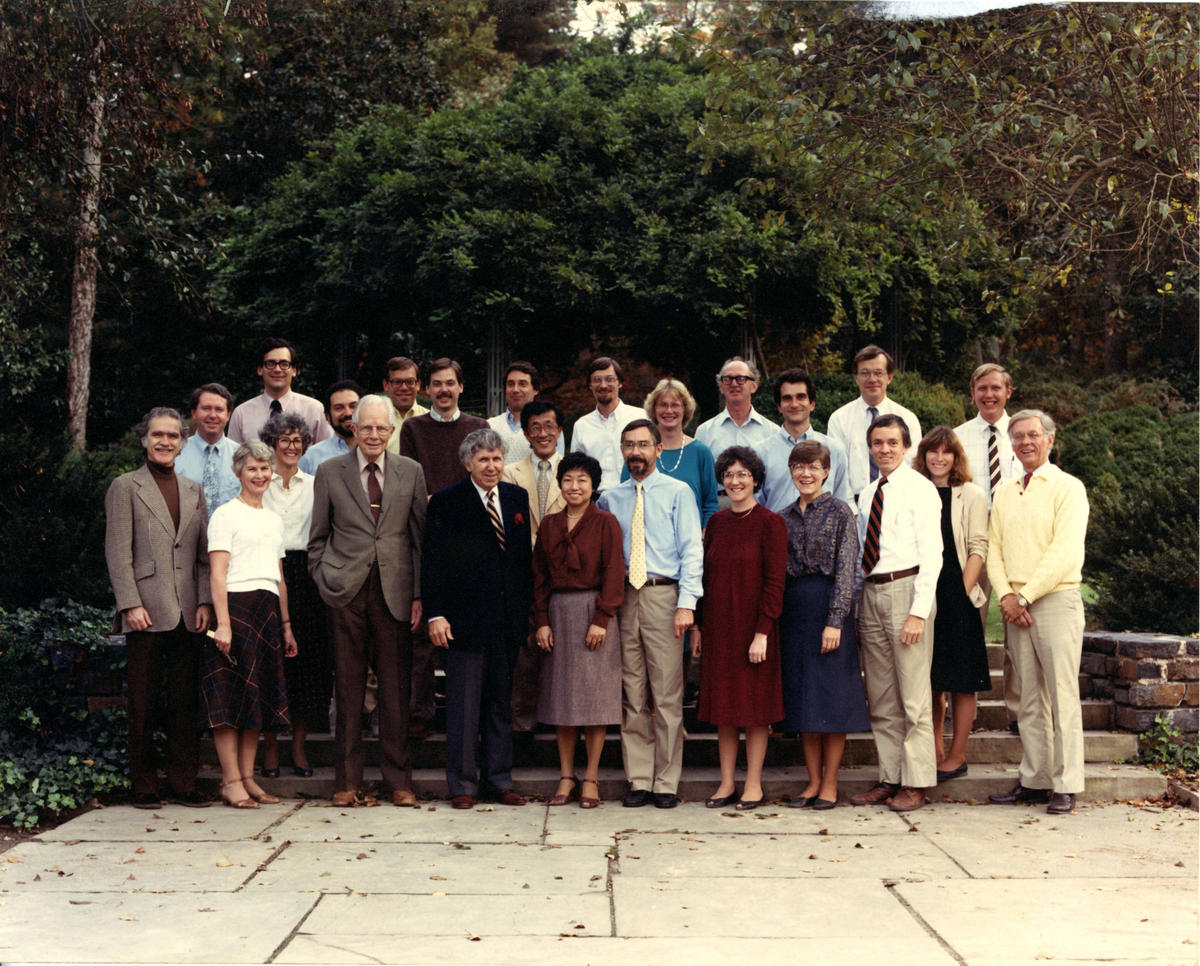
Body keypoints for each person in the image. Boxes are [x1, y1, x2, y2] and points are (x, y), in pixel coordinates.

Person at [308, 395, 427, 807]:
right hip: (346, 593)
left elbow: (417, 539)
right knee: (349, 688)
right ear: (353, 430)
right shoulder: (328, 472)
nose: (374, 435)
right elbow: (317, 539)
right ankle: (347, 781)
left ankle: (398, 781)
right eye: (366, 427)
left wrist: (417, 595)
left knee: (396, 692)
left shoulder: (411, 472)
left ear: (391, 431)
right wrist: (326, 580)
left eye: (381, 428)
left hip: (395, 593)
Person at [104, 407, 213, 808]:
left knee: (185, 703)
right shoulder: (125, 486)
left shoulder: (192, 489)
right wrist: (130, 603)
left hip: (187, 610)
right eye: (157, 435)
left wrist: (203, 600)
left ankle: (184, 783)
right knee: (145, 704)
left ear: (182, 442)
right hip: (147, 610)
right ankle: (145, 785)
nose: (165, 441)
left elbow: (202, 555)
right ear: (143, 439)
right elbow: (118, 552)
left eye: (173, 435)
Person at [423, 428, 534, 809]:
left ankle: (499, 780)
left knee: (501, 707)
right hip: (463, 623)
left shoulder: (517, 499)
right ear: (468, 462)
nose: (491, 466)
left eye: (497, 458)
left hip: (507, 623)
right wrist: (435, 613)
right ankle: (464, 785)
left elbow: (522, 564)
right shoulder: (446, 503)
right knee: (465, 709)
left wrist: (527, 616)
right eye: (484, 459)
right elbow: (432, 564)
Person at [987, 410, 1088, 816]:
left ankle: (1066, 784)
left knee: (1062, 695)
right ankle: (1035, 780)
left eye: (1033, 435)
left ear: (1049, 439)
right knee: (1028, 697)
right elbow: (994, 548)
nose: (1025, 442)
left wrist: (1025, 596)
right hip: (1017, 604)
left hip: (1055, 601)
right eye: (1018, 437)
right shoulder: (1006, 491)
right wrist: (1007, 596)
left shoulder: (1067, 487)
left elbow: (1064, 552)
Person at [598, 419, 703, 809]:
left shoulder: (679, 492)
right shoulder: (612, 497)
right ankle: (639, 778)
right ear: (622, 451)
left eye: (643, 444)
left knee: (667, 692)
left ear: (659, 449)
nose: (636, 452)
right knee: (633, 691)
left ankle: (666, 781)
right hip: (625, 598)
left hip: (664, 595)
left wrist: (686, 605)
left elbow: (693, 549)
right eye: (629, 445)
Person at [850, 414, 942, 813]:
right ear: (869, 448)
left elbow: (933, 555)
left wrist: (918, 612)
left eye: (892, 442)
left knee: (914, 696)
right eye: (877, 443)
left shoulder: (921, 490)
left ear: (906, 447)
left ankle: (917, 781)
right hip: (872, 593)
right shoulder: (869, 492)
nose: (884, 449)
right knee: (882, 695)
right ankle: (890, 776)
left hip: (907, 591)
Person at [203, 440, 297, 809]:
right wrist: (223, 624)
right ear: (238, 472)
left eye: (264, 468)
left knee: (255, 698)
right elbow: (217, 574)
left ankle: (247, 777)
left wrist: (287, 626)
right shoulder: (225, 515)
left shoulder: (274, 519)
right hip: (236, 609)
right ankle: (229, 781)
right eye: (252, 469)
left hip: (268, 610)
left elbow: (279, 577)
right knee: (230, 699)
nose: (259, 475)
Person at [777, 440, 871, 810]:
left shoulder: (840, 512)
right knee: (804, 701)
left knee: (831, 700)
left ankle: (830, 782)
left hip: (829, 608)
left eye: (814, 467)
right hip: (795, 613)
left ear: (826, 471)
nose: (806, 473)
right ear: (791, 471)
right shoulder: (782, 517)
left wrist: (836, 619)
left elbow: (848, 570)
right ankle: (812, 781)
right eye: (799, 467)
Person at [691, 446, 785, 811]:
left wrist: (762, 632)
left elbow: (775, 583)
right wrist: (698, 627)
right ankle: (727, 782)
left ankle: (754, 784)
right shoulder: (716, 523)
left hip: (754, 630)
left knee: (755, 711)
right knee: (724, 711)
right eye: (729, 475)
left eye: (743, 474)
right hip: (719, 628)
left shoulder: (770, 523)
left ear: (756, 480)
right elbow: (704, 576)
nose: (735, 481)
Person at [532, 453, 625, 809]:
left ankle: (591, 777)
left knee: (593, 701)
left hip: (593, 612)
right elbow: (538, 575)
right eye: (568, 479)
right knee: (564, 700)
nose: (575, 486)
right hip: (559, 612)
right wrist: (541, 619)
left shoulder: (606, 522)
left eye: (582, 480)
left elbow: (614, 571)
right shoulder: (551, 524)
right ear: (560, 483)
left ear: (593, 485)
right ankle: (566, 775)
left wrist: (602, 618)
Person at [913, 426, 991, 783]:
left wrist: (960, 593)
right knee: (928, 680)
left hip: (958, 595)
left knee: (962, 681)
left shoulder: (971, 495)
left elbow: (978, 547)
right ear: (924, 455)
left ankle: (957, 754)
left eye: (946, 452)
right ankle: (932, 749)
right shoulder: (915, 492)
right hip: (922, 594)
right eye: (933, 451)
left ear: (956, 457)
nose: (939, 458)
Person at [259, 412, 333, 779]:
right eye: (284, 440)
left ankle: (300, 748)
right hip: (266, 574)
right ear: (272, 444)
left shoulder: (316, 483)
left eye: (297, 440)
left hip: (307, 577)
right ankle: (271, 748)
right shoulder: (258, 483)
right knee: (272, 663)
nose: (291, 446)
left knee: (306, 665)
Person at [954, 362, 1022, 732]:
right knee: (968, 626)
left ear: (1008, 392)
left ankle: (1017, 712)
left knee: (1018, 632)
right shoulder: (959, 436)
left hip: (1015, 543)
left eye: (996, 388)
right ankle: (969, 711)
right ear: (973, 393)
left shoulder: (1024, 434)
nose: (989, 395)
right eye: (982, 388)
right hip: (973, 543)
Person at [500, 401, 567, 743]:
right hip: (523, 571)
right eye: (535, 428)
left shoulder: (572, 473)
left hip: (563, 573)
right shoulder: (510, 473)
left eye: (549, 426)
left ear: (559, 431)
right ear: (526, 434)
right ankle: (523, 720)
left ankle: (561, 718)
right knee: (526, 648)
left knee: (561, 646)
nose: (543, 433)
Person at [826, 345, 922, 500]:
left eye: (878, 373)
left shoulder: (908, 419)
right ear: (856, 377)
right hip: (853, 503)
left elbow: (912, 464)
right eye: (865, 373)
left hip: (897, 499)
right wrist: (851, 509)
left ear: (889, 377)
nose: (872, 379)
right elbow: (838, 469)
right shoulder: (839, 419)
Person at [619, 378, 718, 528]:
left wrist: (704, 535)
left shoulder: (701, 453)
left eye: (675, 405)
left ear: (685, 409)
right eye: (663, 405)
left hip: (690, 541)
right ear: (653, 409)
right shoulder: (637, 453)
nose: (669, 411)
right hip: (647, 542)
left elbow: (710, 504)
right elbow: (624, 498)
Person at [755, 369, 852, 513]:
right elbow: (756, 506)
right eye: (787, 398)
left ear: (812, 404)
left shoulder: (834, 449)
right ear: (779, 407)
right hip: (777, 533)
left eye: (801, 397)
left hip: (824, 534)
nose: (794, 404)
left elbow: (843, 500)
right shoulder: (760, 452)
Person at [399, 358, 489, 496]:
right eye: (437, 384)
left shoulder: (479, 427)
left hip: (469, 511)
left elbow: (485, 476)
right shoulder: (412, 428)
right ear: (428, 389)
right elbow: (408, 479)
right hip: (428, 511)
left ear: (461, 387)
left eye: (450, 383)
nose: (444, 390)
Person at [227, 337, 331, 445]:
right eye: (270, 363)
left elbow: (327, 454)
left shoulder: (315, 410)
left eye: (284, 364)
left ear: (294, 371)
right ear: (260, 369)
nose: (277, 369)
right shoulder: (241, 414)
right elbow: (234, 459)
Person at [569, 356, 644, 493]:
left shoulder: (641, 417)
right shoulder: (582, 426)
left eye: (610, 379)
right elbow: (576, 471)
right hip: (596, 501)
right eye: (597, 380)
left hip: (635, 495)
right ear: (590, 385)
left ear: (620, 383)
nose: (603, 385)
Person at [693, 357, 779, 472]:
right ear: (721, 387)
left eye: (741, 379)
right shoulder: (704, 432)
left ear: (754, 386)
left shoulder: (772, 432)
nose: (734, 384)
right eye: (728, 379)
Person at [175, 383, 240, 516]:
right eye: (206, 408)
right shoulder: (176, 454)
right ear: (194, 413)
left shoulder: (242, 456)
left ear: (228, 415)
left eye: (219, 409)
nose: (212, 415)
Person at [488, 361, 564, 464]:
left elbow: (557, 467)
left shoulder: (549, 428)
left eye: (522, 384)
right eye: (510, 384)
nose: (515, 389)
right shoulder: (490, 426)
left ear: (535, 390)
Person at [299, 380, 363, 474]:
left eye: (353, 406)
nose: (348, 413)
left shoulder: (377, 450)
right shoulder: (310, 457)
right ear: (328, 417)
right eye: (339, 408)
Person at [382, 356, 428, 454]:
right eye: (397, 382)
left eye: (410, 382)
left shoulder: (430, 420)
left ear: (418, 384)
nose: (404, 387)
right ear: (386, 385)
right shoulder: (375, 421)